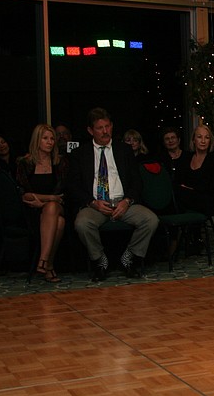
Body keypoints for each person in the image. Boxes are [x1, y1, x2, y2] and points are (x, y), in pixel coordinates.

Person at [65, 107, 159, 281]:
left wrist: (127, 201)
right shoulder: (80, 154)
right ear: (90, 130)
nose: (105, 131)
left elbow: (136, 181)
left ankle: (129, 257)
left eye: (108, 126)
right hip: (95, 205)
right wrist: (93, 202)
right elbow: (73, 186)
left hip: (122, 202)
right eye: (100, 128)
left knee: (151, 220)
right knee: (82, 223)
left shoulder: (124, 150)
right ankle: (100, 260)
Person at [15, 124, 68, 283]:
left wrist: (45, 200)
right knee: (59, 223)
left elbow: (60, 195)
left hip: (58, 207)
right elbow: (26, 195)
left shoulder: (60, 163)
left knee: (52, 208)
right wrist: (49, 198)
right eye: (45, 138)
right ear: (37, 140)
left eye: (52, 139)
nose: (50, 142)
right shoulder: (25, 163)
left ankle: (42, 259)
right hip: (33, 211)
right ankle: (49, 266)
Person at [176, 125, 214, 217]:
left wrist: (191, 188)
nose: (203, 141)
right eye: (199, 137)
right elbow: (179, 181)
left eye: (206, 138)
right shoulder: (186, 158)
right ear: (194, 140)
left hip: (206, 202)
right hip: (186, 199)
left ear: (210, 141)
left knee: (179, 196)